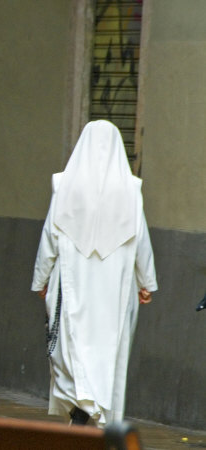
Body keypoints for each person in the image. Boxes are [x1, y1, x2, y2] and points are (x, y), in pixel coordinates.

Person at [31, 120, 157, 427]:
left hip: (72, 284)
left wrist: (41, 280)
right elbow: (141, 240)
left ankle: (81, 405)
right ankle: (96, 409)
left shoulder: (65, 187)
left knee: (70, 348)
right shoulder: (130, 190)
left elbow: (49, 238)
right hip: (115, 289)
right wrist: (146, 283)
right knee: (107, 353)